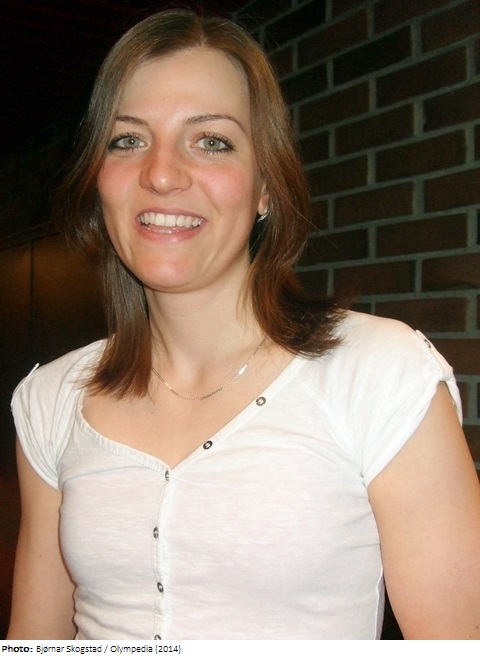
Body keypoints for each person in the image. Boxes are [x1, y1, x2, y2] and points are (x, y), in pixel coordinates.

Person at [8, 8, 480, 641]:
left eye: (211, 141)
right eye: (127, 140)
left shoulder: (381, 374)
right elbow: (39, 645)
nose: (162, 173)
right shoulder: (50, 399)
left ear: (265, 188)